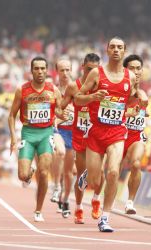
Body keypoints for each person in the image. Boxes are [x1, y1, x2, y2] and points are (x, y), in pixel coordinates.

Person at [75, 37, 147, 232]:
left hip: (117, 132)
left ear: (124, 51)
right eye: (113, 47)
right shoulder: (96, 74)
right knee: (95, 182)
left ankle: (105, 218)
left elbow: (130, 102)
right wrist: (92, 96)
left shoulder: (130, 77)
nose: (116, 50)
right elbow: (78, 99)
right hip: (96, 133)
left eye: (120, 47)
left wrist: (140, 100)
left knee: (114, 172)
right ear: (107, 50)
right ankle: (87, 177)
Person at [8, 57, 66, 222]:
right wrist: (13, 137)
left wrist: (64, 114)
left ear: (47, 70)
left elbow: (60, 111)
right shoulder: (22, 90)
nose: (40, 72)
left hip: (46, 134)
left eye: (42, 68)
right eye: (36, 69)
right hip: (28, 133)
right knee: (22, 175)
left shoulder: (53, 90)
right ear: (31, 70)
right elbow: (11, 115)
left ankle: (38, 210)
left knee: (44, 172)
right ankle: (29, 173)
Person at [61, 53, 104, 224]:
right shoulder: (74, 86)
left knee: (100, 172)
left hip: (98, 133)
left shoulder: (103, 85)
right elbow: (61, 106)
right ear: (82, 67)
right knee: (81, 174)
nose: (91, 72)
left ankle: (95, 199)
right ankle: (78, 208)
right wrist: (60, 112)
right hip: (80, 134)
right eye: (88, 69)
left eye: (95, 70)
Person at [122, 54, 148, 214]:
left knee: (136, 164)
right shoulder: (119, 91)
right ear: (125, 70)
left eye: (138, 68)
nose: (136, 71)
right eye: (132, 68)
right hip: (117, 135)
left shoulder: (144, 94)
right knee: (111, 172)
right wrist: (127, 114)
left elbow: (142, 110)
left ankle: (130, 202)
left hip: (135, 136)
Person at [51, 58, 75, 218]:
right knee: (60, 153)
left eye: (67, 70)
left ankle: (65, 199)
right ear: (57, 71)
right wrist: (57, 120)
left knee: (69, 173)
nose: (65, 73)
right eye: (62, 70)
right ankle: (56, 187)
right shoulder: (53, 90)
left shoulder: (78, 88)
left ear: (71, 70)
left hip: (74, 132)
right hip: (58, 131)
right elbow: (52, 113)